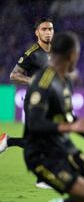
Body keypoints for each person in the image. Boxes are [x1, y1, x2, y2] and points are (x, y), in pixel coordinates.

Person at [23, 32, 84, 202]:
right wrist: (69, 127)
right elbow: (34, 123)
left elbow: (69, 117)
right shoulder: (43, 82)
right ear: (72, 55)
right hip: (42, 154)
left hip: (63, 146)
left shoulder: (64, 80)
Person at [0, 17, 55, 189]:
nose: (48, 32)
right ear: (37, 32)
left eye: (50, 29)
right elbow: (13, 75)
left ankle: (7, 141)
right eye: (44, 29)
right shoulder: (31, 53)